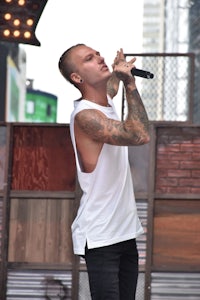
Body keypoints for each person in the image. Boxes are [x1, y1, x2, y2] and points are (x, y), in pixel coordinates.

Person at [58, 44, 150, 300]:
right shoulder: (86, 116)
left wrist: (117, 73)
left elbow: (109, 88)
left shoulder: (104, 101)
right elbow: (139, 135)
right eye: (89, 59)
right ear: (77, 78)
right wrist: (130, 84)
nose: (99, 58)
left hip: (124, 231)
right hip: (101, 235)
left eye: (97, 53)